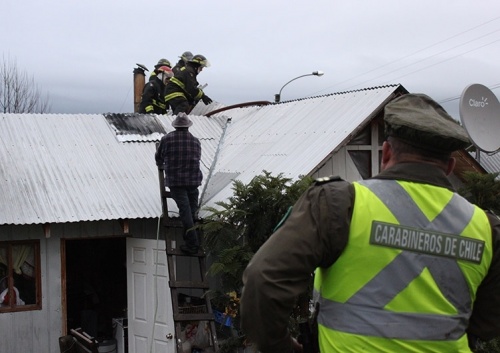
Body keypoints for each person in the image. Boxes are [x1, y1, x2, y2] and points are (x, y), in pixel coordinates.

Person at [240, 93, 500, 353]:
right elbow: (486, 323)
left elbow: (264, 279)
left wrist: (280, 346)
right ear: (450, 166)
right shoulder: (486, 228)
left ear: (385, 153)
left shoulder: (339, 204)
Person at [155, 113, 203, 255]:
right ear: (188, 126)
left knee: (185, 211)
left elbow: (158, 157)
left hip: (176, 182)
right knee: (191, 211)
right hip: (193, 181)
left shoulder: (167, 139)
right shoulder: (195, 141)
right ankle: (191, 238)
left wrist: (161, 164)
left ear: (175, 126)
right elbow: (197, 158)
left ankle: (192, 244)